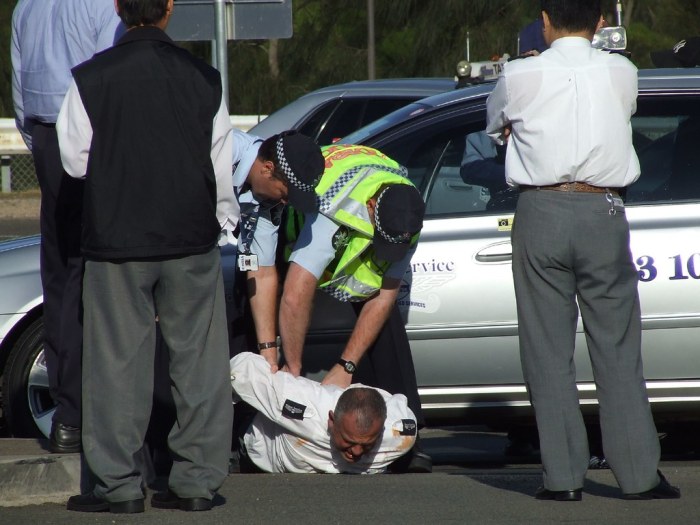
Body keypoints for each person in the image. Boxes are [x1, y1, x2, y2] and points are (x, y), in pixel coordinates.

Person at [485, 0, 680, 501]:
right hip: (604, 210)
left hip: (540, 208)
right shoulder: (622, 70)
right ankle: (638, 475)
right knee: (616, 346)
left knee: (547, 351)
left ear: (545, 19)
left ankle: (563, 478)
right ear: (600, 22)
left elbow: (494, 126)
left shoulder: (519, 72)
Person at [56, 0, 237, 513]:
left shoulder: (91, 77)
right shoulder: (205, 78)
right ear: (170, 10)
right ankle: (197, 482)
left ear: (118, 8)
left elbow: (74, 160)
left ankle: (118, 487)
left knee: (116, 364)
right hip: (190, 235)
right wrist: (220, 221)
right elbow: (219, 165)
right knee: (199, 364)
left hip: (117, 239)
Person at [251, 143, 432, 473]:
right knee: (254, 314)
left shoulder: (408, 214)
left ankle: (409, 441)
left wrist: (346, 367)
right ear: (372, 205)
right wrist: (293, 371)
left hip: (347, 257)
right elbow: (295, 294)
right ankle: (239, 437)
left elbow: (385, 294)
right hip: (290, 233)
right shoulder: (336, 202)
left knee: (387, 325)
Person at [11, 0, 124, 454]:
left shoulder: (27, 6)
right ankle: (104, 414)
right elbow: (109, 81)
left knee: (60, 280)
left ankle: (67, 415)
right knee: (107, 276)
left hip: (44, 135)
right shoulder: (103, 5)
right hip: (90, 141)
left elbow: (19, 92)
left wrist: (39, 141)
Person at [231, 352, 417, 473]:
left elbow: (402, 411)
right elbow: (241, 367)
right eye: (349, 441)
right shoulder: (300, 404)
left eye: (367, 444)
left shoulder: (400, 434)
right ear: (331, 420)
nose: (357, 452)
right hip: (255, 455)